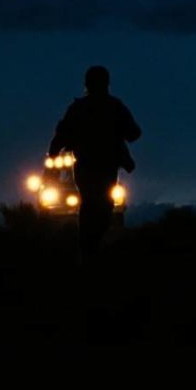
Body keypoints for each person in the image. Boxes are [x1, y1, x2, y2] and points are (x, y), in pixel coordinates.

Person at [47, 65, 141, 259]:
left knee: (96, 207)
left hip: (92, 167)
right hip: (101, 167)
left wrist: (55, 150)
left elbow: (133, 133)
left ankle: (89, 249)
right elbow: (134, 133)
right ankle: (90, 250)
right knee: (98, 207)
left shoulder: (84, 108)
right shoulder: (113, 107)